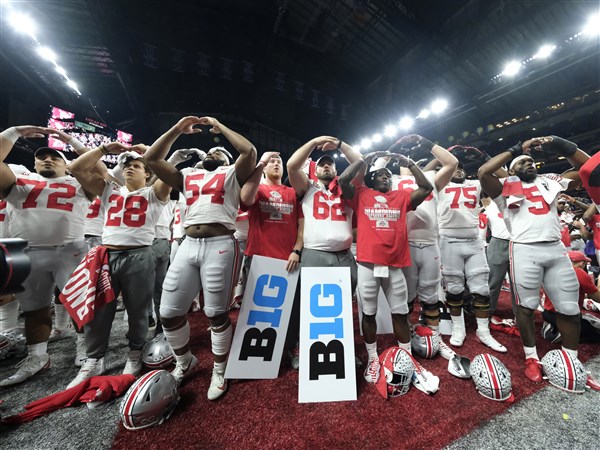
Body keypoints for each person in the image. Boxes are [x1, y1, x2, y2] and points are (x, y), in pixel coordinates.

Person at [144, 116, 256, 400]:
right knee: (168, 313)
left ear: (226, 161)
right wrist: (176, 130)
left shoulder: (232, 174)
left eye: (219, 152)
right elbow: (151, 159)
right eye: (210, 151)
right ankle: (184, 361)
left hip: (220, 244)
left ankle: (220, 369)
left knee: (216, 313)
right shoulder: (187, 175)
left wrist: (221, 127)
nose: (212, 153)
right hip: (187, 244)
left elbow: (249, 151)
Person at [478, 135, 590, 382]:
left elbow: (586, 168)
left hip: (555, 249)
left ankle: (571, 361)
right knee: (526, 307)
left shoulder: (549, 181)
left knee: (570, 308)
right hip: (524, 249)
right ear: (511, 170)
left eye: (530, 161)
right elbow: (484, 172)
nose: (528, 163)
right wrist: (517, 148)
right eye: (522, 162)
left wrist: (558, 143)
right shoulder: (504, 187)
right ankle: (531, 357)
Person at [66, 145, 171, 388]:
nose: (129, 168)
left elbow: (167, 172)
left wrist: (150, 153)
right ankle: (94, 358)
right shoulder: (109, 189)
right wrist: (104, 149)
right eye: (127, 166)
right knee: (99, 310)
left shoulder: (154, 192)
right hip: (107, 255)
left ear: (147, 173)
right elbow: (75, 168)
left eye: (136, 166)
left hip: (139, 254)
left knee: (138, 310)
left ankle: (135, 351)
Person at [0, 126, 94, 386]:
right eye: (42, 157)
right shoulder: (17, 183)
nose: (48, 160)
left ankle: (86, 348)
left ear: (67, 165)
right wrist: (14, 132)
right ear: (34, 164)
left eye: (55, 157)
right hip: (27, 252)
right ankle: (37, 356)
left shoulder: (79, 183)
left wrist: (71, 140)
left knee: (79, 305)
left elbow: (96, 167)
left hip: (71, 251)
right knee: (34, 310)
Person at [339, 152, 433, 383]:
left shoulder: (401, 196)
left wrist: (411, 164)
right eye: (380, 174)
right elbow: (343, 180)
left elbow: (426, 187)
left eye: (388, 175)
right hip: (368, 265)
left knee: (400, 313)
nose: (385, 177)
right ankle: (373, 358)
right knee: (368, 314)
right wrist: (364, 160)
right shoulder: (361, 194)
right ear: (371, 179)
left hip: (394, 266)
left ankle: (407, 357)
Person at [286, 136, 362, 365]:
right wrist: (314, 142)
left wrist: (340, 144)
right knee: (311, 307)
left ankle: (343, 350)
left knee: (342, 308)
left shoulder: (346, 188)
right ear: (315, 170)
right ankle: (306, 351)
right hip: (314, 253)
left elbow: (360, 163)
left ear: (337, 170)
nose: (326, 166)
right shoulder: (307, 187)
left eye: (330, 164)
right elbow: (292, 166)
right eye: (322, 164)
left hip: (344, 255)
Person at [240, 151, 304, 367]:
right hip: (258, 258)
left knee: (292, 310)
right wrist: (261, 163)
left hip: (288, 259)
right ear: (265, 167)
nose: (276, 164)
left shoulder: (292, 192)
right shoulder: (257, 189)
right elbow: (245, 199)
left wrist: (297, 249)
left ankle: (292, 346)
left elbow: (301, 224)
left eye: (279, 162)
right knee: (259, 310)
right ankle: (262, 352)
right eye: (272, 162)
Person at [437, 157, 506, 352]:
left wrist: (488, 160)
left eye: (461, 168)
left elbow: (503, 179)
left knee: (482, 289)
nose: (458, 171)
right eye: (454, 168)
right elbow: (426, 175)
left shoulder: (476, 184)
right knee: (454, 288)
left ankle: (483, 331)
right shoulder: (439, 184)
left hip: (473, 240)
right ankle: (458, 328)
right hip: (449, 240)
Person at [541, 251, 600, 344]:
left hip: (547, 313)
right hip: (568, 317)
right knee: (595, 334)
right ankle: (564, 334)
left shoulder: (551, 270)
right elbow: (597, 298)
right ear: (581, 263)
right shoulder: (579, 273)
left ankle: (555, 328)